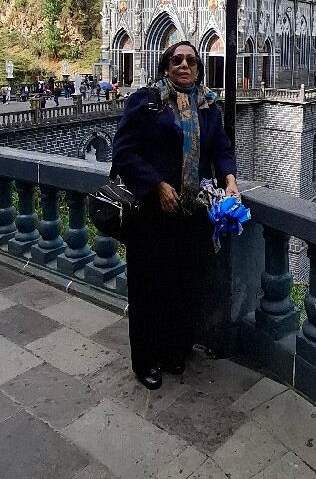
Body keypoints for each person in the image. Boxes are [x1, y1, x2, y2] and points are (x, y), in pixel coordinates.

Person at [111, 41, 238, 391]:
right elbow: (123, 152)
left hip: (192, 214)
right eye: (177, 60)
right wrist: (157, 184)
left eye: (191, 61)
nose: (184, 65)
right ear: (166, 66)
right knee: (148, 287)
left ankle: (173, 350)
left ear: (198, 68)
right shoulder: (147, 102)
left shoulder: (208, 106)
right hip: (152, 213)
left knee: (185, 284)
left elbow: (221, 149)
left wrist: (230, 179)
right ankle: (146, 360)